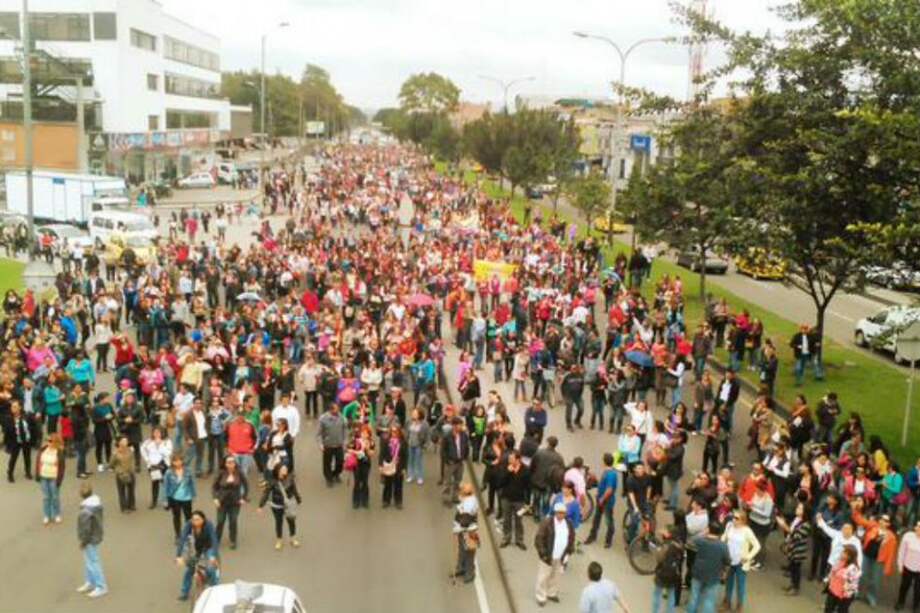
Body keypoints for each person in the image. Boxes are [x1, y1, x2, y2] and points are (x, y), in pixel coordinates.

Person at [535, 502, 576, 607]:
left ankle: (551, 593)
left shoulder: (568, 524)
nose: (561, 515)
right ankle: (541, 596)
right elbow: (539, 538)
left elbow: (571, 538)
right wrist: (543, 553)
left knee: (556, 576)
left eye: (563, 513)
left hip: (561, 556)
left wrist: (569, 551)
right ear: (555, 512)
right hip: (548, 556)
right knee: (543, 576)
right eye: (559, 512)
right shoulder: (547, 523)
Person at [175, 510, 220, 601]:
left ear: (203, 519)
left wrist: (213, 556)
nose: (195, 522)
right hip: (196, 548)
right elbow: (182, 539)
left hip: (208, 548)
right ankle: (184, 593)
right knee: (189, 571)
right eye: (193, 519)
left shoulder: (209, 525)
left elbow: (214, 540)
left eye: (197, 519)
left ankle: (215, 589)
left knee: (210, 569)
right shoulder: (189, 525)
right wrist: (178, 556)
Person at [686, 522, 730, 613]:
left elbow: (690, 541)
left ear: (708, 530)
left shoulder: (701, 541)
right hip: (713, 575)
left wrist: (703, 533)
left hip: (698, 572)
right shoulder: (723, 546)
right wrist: (724, 572)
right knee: (709, 600)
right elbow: (727, 561)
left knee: (694, 596)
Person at [721, 509, 760, 611]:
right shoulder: (729, 526)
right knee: (728, 583)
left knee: (740, 585)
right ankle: (727, 603)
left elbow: (757, 546)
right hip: (729, 560)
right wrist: (722, 543)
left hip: (740, 563)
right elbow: (724, 537)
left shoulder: (747, 531)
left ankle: (740, 606)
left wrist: (748, 557)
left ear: (743, 520)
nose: (733, 519)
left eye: (736, 518)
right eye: (733, 517)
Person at [258, 463, 302, 550]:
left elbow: (294, 489)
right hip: (277, 505)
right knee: (279, 522)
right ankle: (279, 540)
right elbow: (266, 493)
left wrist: (298, 499)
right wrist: (261, 506)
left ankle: (293, 538)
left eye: (286, 469)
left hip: (288, 505)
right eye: (283, 469)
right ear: (278, 471)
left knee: (291, 522)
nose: (285, 471)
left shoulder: (290, 478)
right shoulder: (272, 481)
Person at [75, 483, 108, 599]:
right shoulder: (96, 504)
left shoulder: (85, 511)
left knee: (93, 561)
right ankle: (90, 581)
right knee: (89, 560)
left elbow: (85, 529)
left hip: (89, 539)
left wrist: (83, 542)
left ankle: (101, 586)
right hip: (96, 535)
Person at [212, 455, 249, 550]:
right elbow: (214, 487)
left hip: (235, 502)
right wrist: (215, 498)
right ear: (225, 464)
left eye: (233, 462)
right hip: (222, 501)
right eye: (229, 462)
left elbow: (246, 486)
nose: (231, 464)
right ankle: (216, 540)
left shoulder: (239, 473)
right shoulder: (221, 473)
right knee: (220, 521)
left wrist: (243, 498)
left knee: (233, 521)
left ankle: (233, 540)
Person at [776, 501, 812, 595]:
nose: (797, 509)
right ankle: (792, 585)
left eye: (800, 508)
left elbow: (796, 536)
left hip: (798, 551)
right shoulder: (797, 520)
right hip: (793, 549)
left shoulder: (806, 525)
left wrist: (784, 526)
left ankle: (796, 588)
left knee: (796, 570)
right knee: (792, 568)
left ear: (805, 512)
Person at [585, 452, 618, 548]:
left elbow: (609, 490)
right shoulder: (607, 472)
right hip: (601, 500)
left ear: (604, 462)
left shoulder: (610, 474)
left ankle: (608, 540)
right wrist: (595, 479)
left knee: (609, 521)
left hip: (606, 502)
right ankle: (592, 536)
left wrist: (602, 499)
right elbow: (603, 484)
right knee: (596, 519)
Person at [500, 450, 530, 549]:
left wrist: (527, 503)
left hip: (519, 501)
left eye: (511, 459)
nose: (509, 460)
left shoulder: (526, 470)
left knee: (519, 521)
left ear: (518, 460)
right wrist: (508, 472)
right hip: (506, 499)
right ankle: (506, 538)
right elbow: (500, 482)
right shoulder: (506, 467)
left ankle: (519, 540)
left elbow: (528, 487)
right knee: (506, 520)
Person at [652, 526, 684, 613]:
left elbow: (659, 558)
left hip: (662, 573)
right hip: (674, 574)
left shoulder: (666, 545)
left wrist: (658, 549)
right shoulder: (680, 545)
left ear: (670, 534)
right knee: (671, 595)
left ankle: (655, 611)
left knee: (657, 594)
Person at [165, 454, 197, 540]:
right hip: (174, 498)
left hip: (187, 497)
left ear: (182, 461)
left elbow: (192, 483)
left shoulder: (188, 471)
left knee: (188, 517)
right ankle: (178, 535)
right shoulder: (169, 472)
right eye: (175, 461)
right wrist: (166, 499)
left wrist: (193, 495)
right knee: (176, 517)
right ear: (172, 462)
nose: (178, 463)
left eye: (179, 460)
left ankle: (188, 534)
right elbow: (166, 486)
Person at [453, 482, 479, 584]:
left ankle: (470, 573)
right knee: (462, 550)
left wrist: (457, 529)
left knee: (469, 553)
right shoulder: (468, 499)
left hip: (468, 531)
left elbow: (465, 521)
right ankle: (461, 568)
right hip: (465, 530)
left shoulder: (469, 504)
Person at [36, 433, 65, 525]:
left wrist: (59, 480)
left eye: (50, 441)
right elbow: (38, 463)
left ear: (55, 442)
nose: (47, 442)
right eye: (47, 440)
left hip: (54, 478)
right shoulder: (43, 450)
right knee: (46, 497)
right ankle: (47, 515)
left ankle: (56, 514)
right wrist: (38, 474)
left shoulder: (59, 453)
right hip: (43, 477)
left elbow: (62, 468)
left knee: (55, 497)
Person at [141, 426, 173, 508]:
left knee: (165, 483)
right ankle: (154, 501)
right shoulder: (148, 441)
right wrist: (147, 460)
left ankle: (166, 501)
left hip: (163, 465)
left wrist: (159, 445)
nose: (156, 434)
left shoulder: (167, 442)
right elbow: (142, 450)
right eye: (155, 432)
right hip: (153, 466)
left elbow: (168, 453)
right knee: (155, 483)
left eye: (158, 432)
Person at [824, 544, 861, 612]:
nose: (842, 553)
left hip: (844, 595)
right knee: (828, 608)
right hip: (833, 590)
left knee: (842, 610)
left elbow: (851, 584)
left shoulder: (853, 569)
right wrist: (829, 579)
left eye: (844, 552)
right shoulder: (839, 561)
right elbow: (833, 572)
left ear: (850, 556)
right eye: (843, 551)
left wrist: (845, 594)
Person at [317, 402, 347, 487]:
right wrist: (320, 444)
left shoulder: (342, 418)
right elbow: (319, 433)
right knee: (327, 463)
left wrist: (345, 442)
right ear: (331, 410)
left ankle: (335, 474)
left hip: (339, 445)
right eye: (336, 409)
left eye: (338, 408)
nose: (338, 410)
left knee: (340, 462)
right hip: (328, 445)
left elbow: (345, 430)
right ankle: (329, 478)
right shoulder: (323, 419)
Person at [442, 416, 470, 505]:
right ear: (454, 426)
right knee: (448, 482)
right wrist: (447, 460)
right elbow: (443, 450)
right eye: (459, 425)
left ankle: (455, 497)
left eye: (461, 425)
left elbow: (466, 446)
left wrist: (465, 457)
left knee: (458, 481)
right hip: (450, 462)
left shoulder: (464, 435)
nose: (461, 427)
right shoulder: (447, 436)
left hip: (460, 462)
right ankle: (446, 499)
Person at [380, 425, 408, 509]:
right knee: (387, 484)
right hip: (388, 465)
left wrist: (404, 468)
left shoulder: (403, 442)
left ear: (399, 432)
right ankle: (386, 500)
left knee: (398, 485)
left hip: (399, 466)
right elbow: (382, 453)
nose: (394, 433)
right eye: (392, 431)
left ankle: (398, 501)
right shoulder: (386, 441)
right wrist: (380, 465)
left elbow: (406, 456)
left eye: (396, 431)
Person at [896, 520, 920, 611]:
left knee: (918, 589)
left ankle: (916, 606)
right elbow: (901, 552)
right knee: (904, 586)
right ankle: (900, 602)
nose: (918, 529)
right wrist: (900, 565)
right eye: (918, 526)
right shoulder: (908, 536)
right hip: (907, 567)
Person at [109, 435, 137, 512]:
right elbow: (111, 464)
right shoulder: (115, 452)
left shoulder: (130, 450)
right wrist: (118, 470)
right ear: (119, 442)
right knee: (122, 491)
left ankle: (131, 505)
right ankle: (124, 507)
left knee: (131, 490)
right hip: (121, 474)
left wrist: (133, 468)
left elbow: (133, 459)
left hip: (130, 472)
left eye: (126, 441)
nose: (125, 442)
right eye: (123, 441)